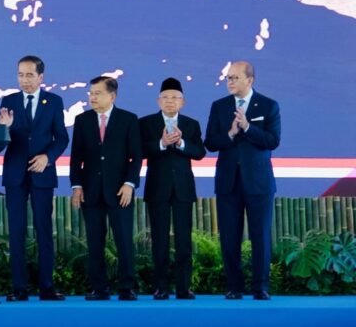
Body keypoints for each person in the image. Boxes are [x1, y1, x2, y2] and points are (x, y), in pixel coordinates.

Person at [205, 61, 280, 300]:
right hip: (228, 182)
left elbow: (272, 141)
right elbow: (210, 143)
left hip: (258, 182)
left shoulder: (268, 105)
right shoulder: (219, 106)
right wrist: (230, 134)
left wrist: (247, 128)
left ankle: (261, 287)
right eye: (228, 77)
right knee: (229, 237)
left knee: (260, 236)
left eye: (235, 77)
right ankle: (234, 287)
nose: (230, 82)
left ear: (250, 80)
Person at [0, 55, 68, 301]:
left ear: (41, 77)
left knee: (43, 229)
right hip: (15, 174)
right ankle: (19, 288)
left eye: (29, 75)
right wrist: (4, 128)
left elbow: (61, 138)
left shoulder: (54, 101)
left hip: (42, 173)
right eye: (20, 75)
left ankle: (47, 287)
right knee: (16, 231)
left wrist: (47, 158)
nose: (24, 80)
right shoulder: (9, 101)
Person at [70, 75, 141, 301]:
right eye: (91, 93)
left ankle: (127, 287)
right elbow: (76, 158)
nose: (92, 97)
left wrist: (129, 184)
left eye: (97, 93)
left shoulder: (128, 119)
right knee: (94, 242)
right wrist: (77, 186)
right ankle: (98, 288)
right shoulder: (82, 120)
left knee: (124, 241)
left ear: (112, 96)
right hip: (90, 191)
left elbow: (136, 156)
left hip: (120, 191)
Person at [139, 77, 205, 300]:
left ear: (182, 102)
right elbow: (138, 150)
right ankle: (161, 287)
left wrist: (181, 143)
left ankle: (184, 287)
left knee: (184, 241)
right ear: (158, 101)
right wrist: (162, 144)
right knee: (159, 241)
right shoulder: (146, 123)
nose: (170, 101)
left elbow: (200, 152)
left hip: (183, 189)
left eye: (175, 97)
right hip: (157, 188)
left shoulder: (191, 124)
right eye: (165, 97)